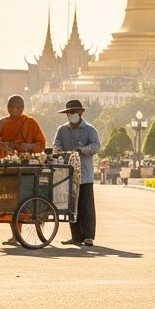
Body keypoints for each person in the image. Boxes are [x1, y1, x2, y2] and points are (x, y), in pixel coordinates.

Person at [0, 95, 47, 245]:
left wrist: (30, 146)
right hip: (6, 162)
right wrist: (4, 145)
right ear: (8, 108)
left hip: (25, 162)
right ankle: (15, 234)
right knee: (9, 197)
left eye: (21, 107)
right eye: (15, 107)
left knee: (23, 194)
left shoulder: (30, 122)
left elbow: (41, 142)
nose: (18, 110)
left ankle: (17, 234)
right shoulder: (2, 123)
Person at [52, 99, 101, 247]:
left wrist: (82, 150)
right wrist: (58, 151)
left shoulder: (90, 130)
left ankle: (88, 236)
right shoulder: (62, 130)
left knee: (86, 206)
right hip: (67, 174)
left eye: (73, 112)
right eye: (69, 113)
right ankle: (75, 236)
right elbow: (56, 144)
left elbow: (96, 146)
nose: (71, 115)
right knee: (71, 206)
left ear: (80, 112)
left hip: (84, 174)